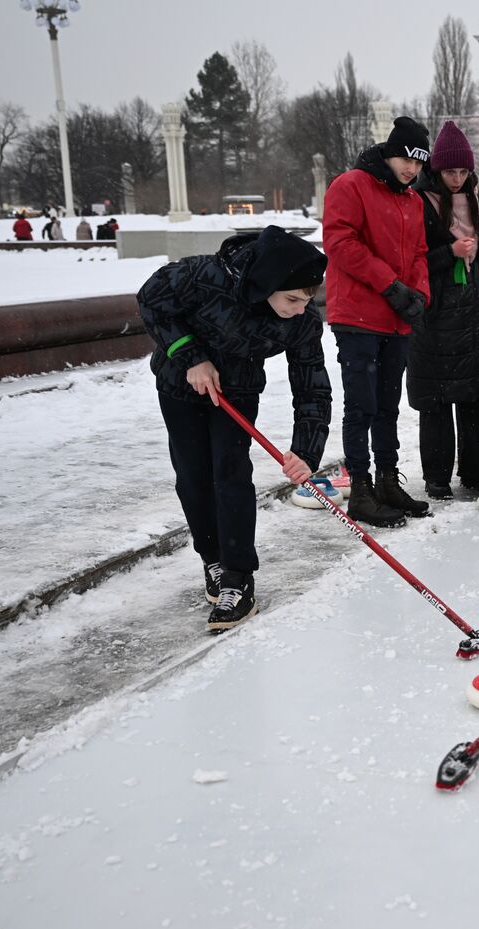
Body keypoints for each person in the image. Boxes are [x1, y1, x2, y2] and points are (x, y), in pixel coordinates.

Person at [136, 226, 331, 632]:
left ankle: (238, 576)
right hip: (180, 385)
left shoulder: (302, 320)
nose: (300, 308)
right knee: (192, 478)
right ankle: (214, 560)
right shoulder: (204, 276)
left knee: (230, 474)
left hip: (237, 391)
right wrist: (190, 357)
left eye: (307, 299)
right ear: (266, 285)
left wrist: (306, 451)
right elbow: (151, 301)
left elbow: (311, 383)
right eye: (292, 298)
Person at [323, 115, 434, 527]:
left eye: (420, 163)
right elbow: (339, 241)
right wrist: (390, 286)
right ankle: (361, 489)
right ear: (390, 152)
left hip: (397, 318)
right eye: (407, 158)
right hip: (357, 316)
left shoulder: (413, 200)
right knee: (362, 406)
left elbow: (420, 253)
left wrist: (420, 293)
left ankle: (387, 479)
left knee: (388, 406)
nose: (412, 169)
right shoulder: (350, 185)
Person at [408, 120, 479, 500]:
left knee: (473, 395)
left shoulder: (476, 197)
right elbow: (413, 260)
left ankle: (477, 472)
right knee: (435, 398)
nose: (457, 178)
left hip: (473, 310)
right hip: (436, 313)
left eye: (463, 171)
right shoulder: (420, 203)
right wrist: (449, 252)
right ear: (436, 169)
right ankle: (436, 476)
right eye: (450, 171)